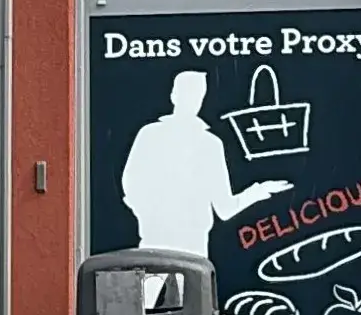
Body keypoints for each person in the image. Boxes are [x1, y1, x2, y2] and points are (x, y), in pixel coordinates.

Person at [120, 70, 288, 258]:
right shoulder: (150, 135)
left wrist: (258, 191)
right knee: (155, 286)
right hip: (157, 241)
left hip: (193, 247)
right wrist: (146, 213)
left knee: (188, 287)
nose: (193, 101)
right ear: (174, 95)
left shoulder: (211, 144)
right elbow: (131, 182)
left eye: (197, 95)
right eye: (188, 94)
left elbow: (225, 207)